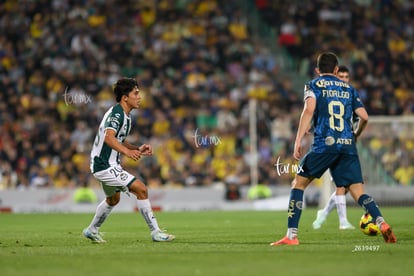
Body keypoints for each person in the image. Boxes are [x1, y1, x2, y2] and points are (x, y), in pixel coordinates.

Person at [270, 52, 396, 245]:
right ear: (337, 70)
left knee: (298, 184)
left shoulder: (313, 85)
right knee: (358, 192)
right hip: (348, 145)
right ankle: (381, 222)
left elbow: (309, 110)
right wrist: (356, 134)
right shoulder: (349, 88)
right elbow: (365, 116)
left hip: (324, 145)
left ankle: (291, 236)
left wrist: (298, 140)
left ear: (317, 70)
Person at [83, 77, 175, 243]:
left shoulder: (125, 116)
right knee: (141, 189)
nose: (139, 97)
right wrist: (126, 152)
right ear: (125, 97)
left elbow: (119, 138)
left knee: (113, 199)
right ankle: (156, 232)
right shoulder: (117, 114)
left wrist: (136, 148)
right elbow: (109, 138)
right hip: (104, 165)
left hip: (106, 164)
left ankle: (92, 229)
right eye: (136, 93)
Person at [312, 65, 355, 230]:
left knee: (345, 186)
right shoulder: (329, 94)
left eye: (346, 77)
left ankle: (323, 213)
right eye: (341, 76)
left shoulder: (350, 94)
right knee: (341, 185)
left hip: (346, 144)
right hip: (330, 144)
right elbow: (318, 112)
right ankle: (343, 221)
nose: (344, 79)